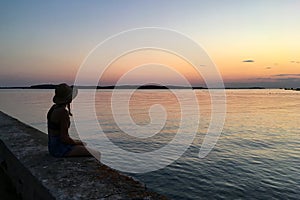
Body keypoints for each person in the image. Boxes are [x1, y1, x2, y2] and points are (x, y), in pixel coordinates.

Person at [47, 83, 99, 158]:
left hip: (52, 146)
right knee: (96, 153)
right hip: (60, 149)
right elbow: (64, 138)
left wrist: (77, 142)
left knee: (83, 144)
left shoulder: (53, 108)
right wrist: (76, 143)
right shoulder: (63, 112)